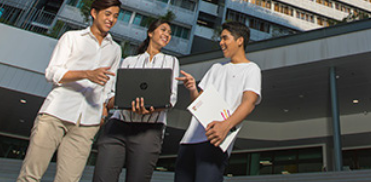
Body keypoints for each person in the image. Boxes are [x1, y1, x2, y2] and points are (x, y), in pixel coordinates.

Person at [17, 0, 123, 182]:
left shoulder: (115, 49)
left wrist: (107, 109)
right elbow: (52, 73)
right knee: (30, 176)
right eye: (107, 14)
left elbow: (109, 89)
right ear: (94, 12)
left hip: (87, 123)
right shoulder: (71, 38)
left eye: (115, 16)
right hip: (56, 114)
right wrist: (87, 74)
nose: (111, 20)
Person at [93, 19, 180, 182]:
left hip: (148, 130)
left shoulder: (171, 61)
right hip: (118, 126)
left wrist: (150, 108)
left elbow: (171, 98)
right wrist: (116, 103)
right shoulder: (129, 61)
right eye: (163, 30)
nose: (167, 35)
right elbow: (112, 95)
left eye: (169, 33)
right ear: (150, 33)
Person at [174, 21, 261, 182]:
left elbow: (249, 103)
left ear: (240, 40)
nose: (221, 43)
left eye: (225, 38)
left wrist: (225, 126)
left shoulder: (251, 69)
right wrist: (193, 88)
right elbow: (199, 102)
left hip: (216, 140)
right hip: (189, 141)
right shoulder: (216, 68)